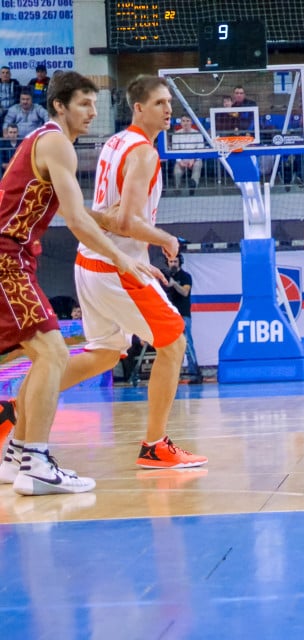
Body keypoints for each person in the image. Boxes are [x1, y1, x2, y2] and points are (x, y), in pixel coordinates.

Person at [0, 71, 159, 495]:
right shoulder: (53, 142)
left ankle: (17, 453)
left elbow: (87, 215)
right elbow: (74, 222)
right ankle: (35, 458)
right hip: (6, 256)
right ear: (59, 105)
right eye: (84, 104)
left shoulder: (56, 146)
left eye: (94, 104)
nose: (93, 112)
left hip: (14, 257)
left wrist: (141, 233)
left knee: (42, 354)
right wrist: (121, 257)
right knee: (51, 351)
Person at [71, 75, 207, 469]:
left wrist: (132, 245)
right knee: (174, 344)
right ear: (139, 107)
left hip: (91, 260)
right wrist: (166, 238)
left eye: (169, 103)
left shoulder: (115, 142)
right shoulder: (144, 153)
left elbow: (113, 216)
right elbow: (127, 221)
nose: (169, 110)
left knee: (101, 356)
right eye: (161, 103)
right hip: (115, 268)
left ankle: (16, 403)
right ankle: (155, 445)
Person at [164, 254, 203, 382]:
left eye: (175, 261)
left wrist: (174, 284)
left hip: (183, 314)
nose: (173, 264)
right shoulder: (165, 277)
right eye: (171, 261)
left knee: (188, 344)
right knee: (171, 344)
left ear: (180, 262)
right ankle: (172, 373)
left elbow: (185, 292)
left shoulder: (185, 277)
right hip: (169, 315)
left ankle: (193, 372)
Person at [171, 115, 204, 196]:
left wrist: (193, 159)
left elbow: (201, 149)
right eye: (183, 121)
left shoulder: (198, 134)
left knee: (197, 166)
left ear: (191, 122)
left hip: (195, 159)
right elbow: (175, 150)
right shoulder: (176, 134)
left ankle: (193, 186)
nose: (185, 123)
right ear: (181, 123)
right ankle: (177, 189)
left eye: (187, 121)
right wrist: (180, 161)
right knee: (177, 171)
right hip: (182, 159)